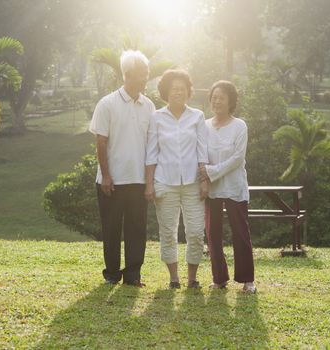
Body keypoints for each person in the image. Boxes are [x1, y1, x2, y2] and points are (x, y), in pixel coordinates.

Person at [89, 50, 155, 287]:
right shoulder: (107, 104)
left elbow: (151, 146)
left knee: (137, 228)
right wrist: (106, 175)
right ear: (127, 74)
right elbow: (101, 142)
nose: (146, 78)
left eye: (147, 73)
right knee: (112, 228)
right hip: (112, 180)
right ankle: (112, 274)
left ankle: (133, 275)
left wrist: (149, 181)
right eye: (142, 73)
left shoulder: (149, 106)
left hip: (138, 180)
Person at [145, 69, 209, 289]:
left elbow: (202, 151)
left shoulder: (197, 116)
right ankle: (174, 278)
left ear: (188, 92)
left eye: (182, 89)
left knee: (195, 232)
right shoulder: (157, 117)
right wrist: (149, 183)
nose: (178, 92)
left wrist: (204, 180)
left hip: (192, 183)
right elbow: (151, 152)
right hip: (164, 182)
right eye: (174, 89)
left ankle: (192, 278)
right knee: (168, 231)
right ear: (166, 92)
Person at [199, 80, 256, 293]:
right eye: (214, 97)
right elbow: (201, 154)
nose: (217, 101)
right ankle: (219, 277)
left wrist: (211, 172)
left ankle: (247, 279)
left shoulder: (240, 126)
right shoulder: (204, 126)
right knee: (213, 234)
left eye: (221, 97)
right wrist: (205, 177)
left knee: (240, 232)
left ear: (231, 101)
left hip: (234, 187)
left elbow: (237, 159)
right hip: (212, 189)